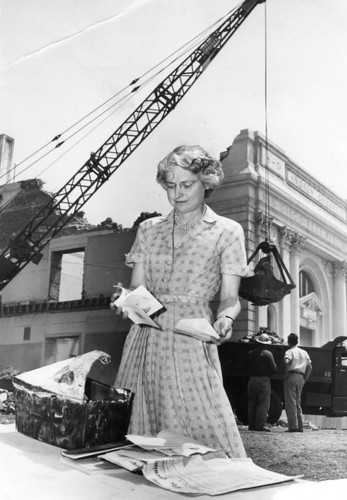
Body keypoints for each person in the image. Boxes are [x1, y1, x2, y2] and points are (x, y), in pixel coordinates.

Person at [111, 145, 250, 457]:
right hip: (146, 340)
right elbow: (137, 290)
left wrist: (225, 320)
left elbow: (230, 298)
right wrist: (126, 302)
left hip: (192, 338)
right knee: (142, 436)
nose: (177, 194)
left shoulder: (228, 232)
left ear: (206, 182)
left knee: (202, 427)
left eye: (186, 185)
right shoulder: (149, 229)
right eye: (170, 185)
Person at [247, 333, 277, 432]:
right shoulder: (268, 354)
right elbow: (273, 369)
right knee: (263, 403)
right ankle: (259, 425)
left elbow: (245, 367)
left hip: (252, 380)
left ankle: (251, 425)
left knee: (252, 403)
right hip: (263, 380)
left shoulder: (250, 353)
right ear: (266, 344)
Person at [283, 333, 312, 433]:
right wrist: (304, 379)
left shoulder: (289, 351)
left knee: (290, 402)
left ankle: (293, 427)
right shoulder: (304, 352)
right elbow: (310, 367)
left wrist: (286, 373)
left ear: (289, 341)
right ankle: (300, 427)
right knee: (298, 402)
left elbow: (286, 361)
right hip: (301, 377)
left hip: (291, 375)